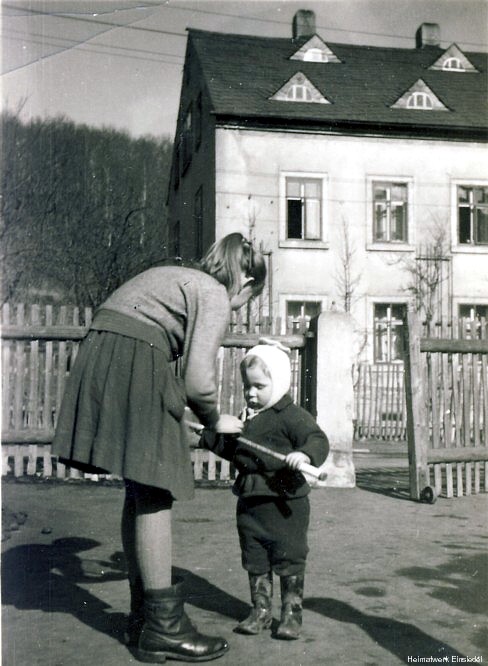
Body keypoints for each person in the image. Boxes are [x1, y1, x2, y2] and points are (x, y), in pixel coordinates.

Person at [51, 233, 266, 663]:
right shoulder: (214, 293)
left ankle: (143, 618)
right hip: (133, 351)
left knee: (140, 487)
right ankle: (164, 629)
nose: (241, 309)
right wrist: (213, 418)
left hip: (104, 349)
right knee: (155, 486)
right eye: (249, 299)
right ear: (244, 283)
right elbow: (198, 379)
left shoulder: (179, 278)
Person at [200, 340, 329, 641]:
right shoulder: (246, 418)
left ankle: (291, 614)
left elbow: (317, 438)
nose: (251, 393)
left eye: (259, 386)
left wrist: (306, 455)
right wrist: (210, 435)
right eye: (247, 386)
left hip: (286, 503)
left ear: (280, 382)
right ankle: (260, 612)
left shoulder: (291, 415)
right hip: (250, 501)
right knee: (254, 556)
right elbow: (232, 450)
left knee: (289, 556)